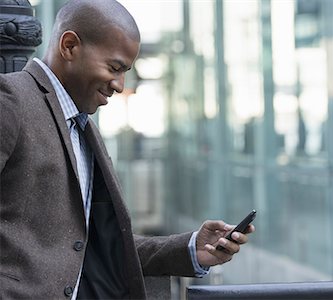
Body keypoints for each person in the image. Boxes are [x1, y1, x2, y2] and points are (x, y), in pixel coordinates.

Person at [0, 0, 255, 299]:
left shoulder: (83, 129)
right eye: (114, 67)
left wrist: (192, 249)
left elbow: (99, 244)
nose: (120, 85)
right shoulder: (12, 100)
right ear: (69, 46)